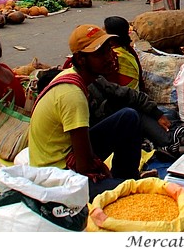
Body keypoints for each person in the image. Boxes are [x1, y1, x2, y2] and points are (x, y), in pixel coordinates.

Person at [29, 24, 145, 200]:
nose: (109, 57)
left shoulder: (77, 76)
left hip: (70, 155)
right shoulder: (72, 95)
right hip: (57, 175)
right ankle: (121, 184)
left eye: (108, 50)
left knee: (128, 117)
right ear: (81, 59)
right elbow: (84, 166)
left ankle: (125, 176)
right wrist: (102, 172)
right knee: (134, 193)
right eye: (100, 54)